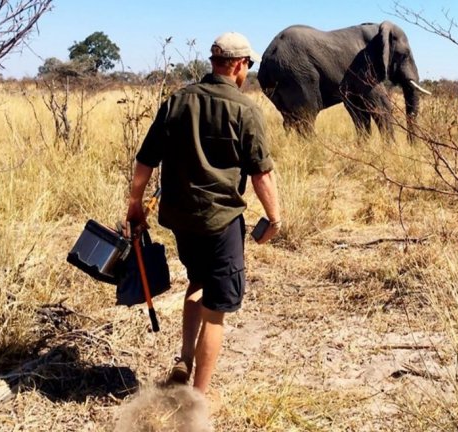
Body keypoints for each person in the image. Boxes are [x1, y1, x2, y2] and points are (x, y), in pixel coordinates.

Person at [125, 32, 281, 406]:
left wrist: (134, 203)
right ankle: (196, 400)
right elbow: (261, 175)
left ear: (214, 62)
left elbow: (145, 159)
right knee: (217, 310)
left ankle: (184, 358)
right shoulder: (245, 110)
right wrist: (274, 218)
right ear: (240, 64)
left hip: (180, 218)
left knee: (196, 280)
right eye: (250, 66)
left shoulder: (177, 100)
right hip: (220, 222)